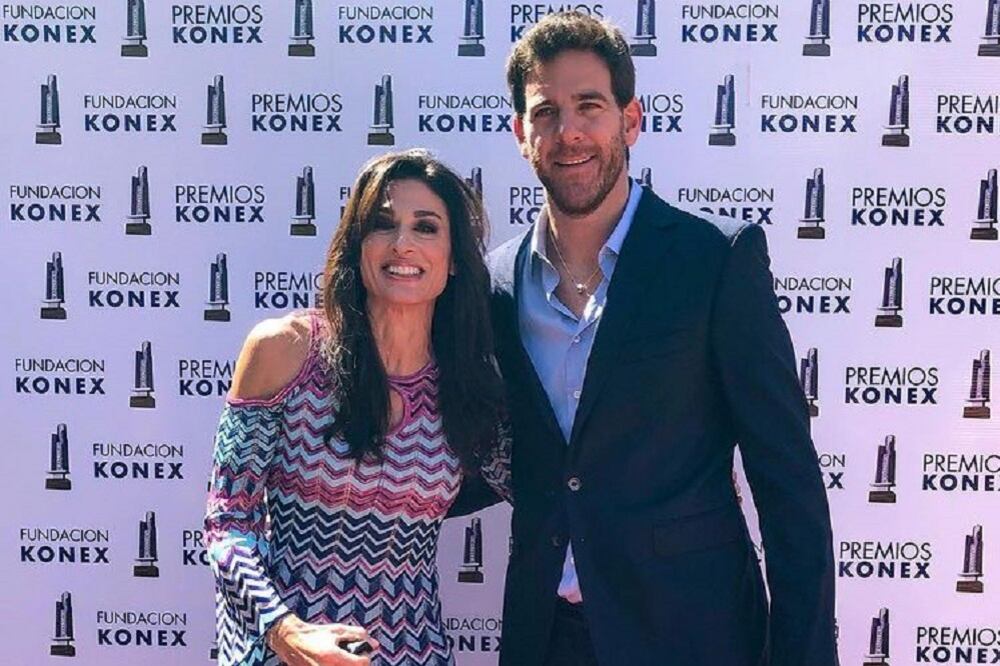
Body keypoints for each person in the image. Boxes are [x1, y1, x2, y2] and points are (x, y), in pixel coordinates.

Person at [486, 12, 838, 666]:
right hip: (545, 640)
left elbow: (786, 480)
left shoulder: (714, 261)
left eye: (589, 106)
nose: (568, 133)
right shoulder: (495, 286)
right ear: (519, 133)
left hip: (692, 634)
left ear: (631, 120)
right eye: (545, 112)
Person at [205, 149, 507, 666]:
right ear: (356, 244)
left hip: (414, 652)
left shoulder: (470, 383)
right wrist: (285, 631)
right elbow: (229, 520)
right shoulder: (287, 350)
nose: (403, 243)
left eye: (426, 227)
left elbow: (549, 488)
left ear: (455, 257)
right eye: (382, 224)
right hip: (290, 652)